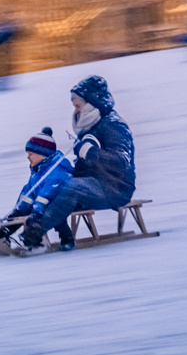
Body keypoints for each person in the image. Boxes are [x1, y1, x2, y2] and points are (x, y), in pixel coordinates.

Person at [20, 75, 136, 252]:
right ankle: (53, 231)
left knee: (73, 187)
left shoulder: (114, 126)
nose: (75, 111)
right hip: (93, 183)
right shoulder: (91, 125)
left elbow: (122, 162)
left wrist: (91, 153)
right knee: (56, 183)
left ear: (91, 104)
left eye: (78, 106)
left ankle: (35, 231)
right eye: (74, 107)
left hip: (115, 189)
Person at [0, 127, 75, 249]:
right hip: (44, 205)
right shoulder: (39, 171)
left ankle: (58, 240)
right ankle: (3, 234)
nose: (28, 157)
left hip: (61, 204)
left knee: (46, 214)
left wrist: (36, 210)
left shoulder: (57, 171)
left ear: (43, 154)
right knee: (21, 213)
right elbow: (29, 193)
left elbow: (48, 193)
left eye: (31, 154)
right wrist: (19, 210)